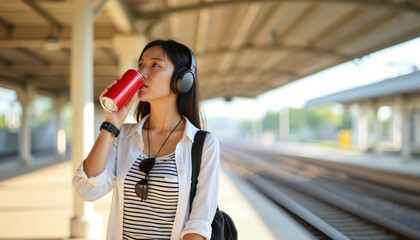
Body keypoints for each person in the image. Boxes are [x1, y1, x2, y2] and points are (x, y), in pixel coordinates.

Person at [73, 39, 220, 240]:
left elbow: (199, 225)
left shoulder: (203, 145)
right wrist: (111, 125)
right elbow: (87, 191)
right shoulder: (123, 136)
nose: (142, 73)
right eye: (140, 65)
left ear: (182, 79)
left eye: (155, 65)